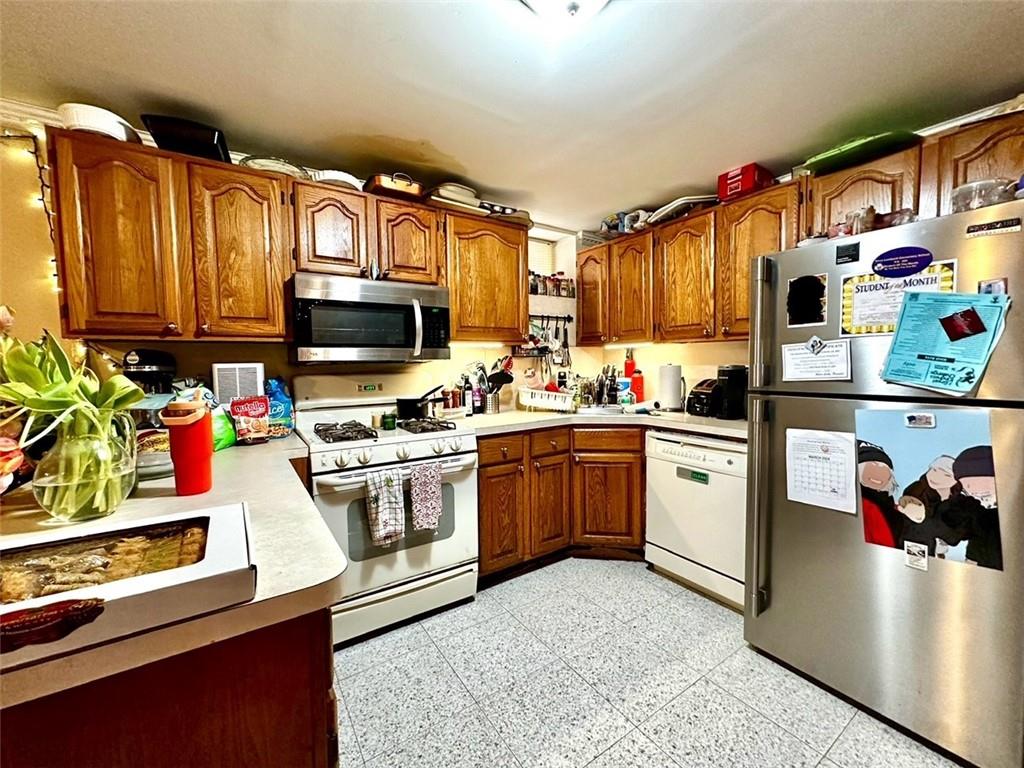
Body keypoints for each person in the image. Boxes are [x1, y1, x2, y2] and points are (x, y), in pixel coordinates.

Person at [941, 446, 1003, 570]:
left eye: (985, 483)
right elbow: (955, 531)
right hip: (976, 560)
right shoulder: (968, 505)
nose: (978, 491)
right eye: (969, 485)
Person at [897, 455, 967, 557]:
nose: (936, 477)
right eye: (934, 470)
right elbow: (921, 525)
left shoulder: (958, 499)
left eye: (946, 475)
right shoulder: (916, 490)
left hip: (943, 553)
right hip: (916, 549)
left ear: (956, 480)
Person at [858, 441, 903, 548]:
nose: (878, 471)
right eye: (873, 464)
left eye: (883, 466)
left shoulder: (892, 506)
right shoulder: (865, 506)